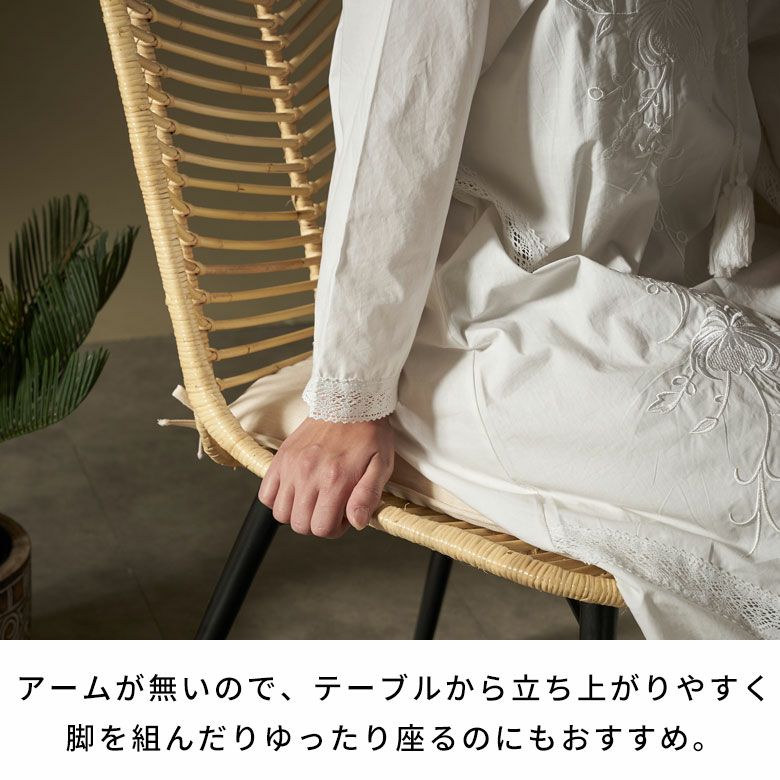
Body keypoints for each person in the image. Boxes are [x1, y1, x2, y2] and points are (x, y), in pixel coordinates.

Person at [256, 0, 780, 639]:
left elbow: (760, 54)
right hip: (501, 317)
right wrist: (349, 399)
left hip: (713, 261)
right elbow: (393, 125)